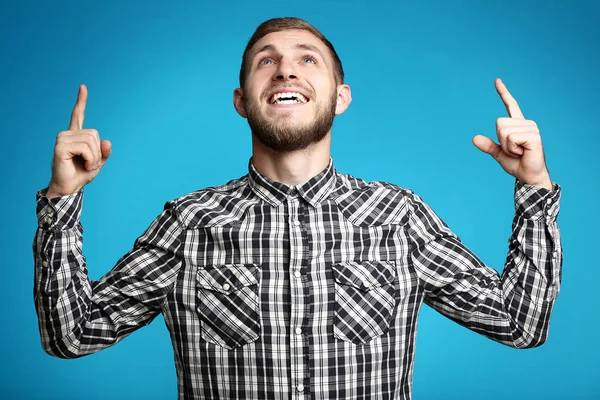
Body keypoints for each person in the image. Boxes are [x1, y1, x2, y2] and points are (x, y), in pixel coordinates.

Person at [33, 17, 562, 400]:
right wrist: (63, 200)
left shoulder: (398, 216)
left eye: (307, 59)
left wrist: (534, 185)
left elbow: (520, 323)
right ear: (242, 99)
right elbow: (70, 333)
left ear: (340, 97)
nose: (286, 70)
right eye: (267, 61)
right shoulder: (188, 223)